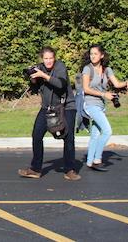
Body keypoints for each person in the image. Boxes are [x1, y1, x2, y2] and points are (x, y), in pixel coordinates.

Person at [18, 47, 80, 181]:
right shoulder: (40, 68)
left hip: (66, 106)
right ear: (42, 58)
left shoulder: (60, 67)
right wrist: (33, 78)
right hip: (47, 107)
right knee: (36, 135)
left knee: (68, 137)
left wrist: (44, 76)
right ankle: (35, 169)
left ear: (54, 58)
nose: (48, 61)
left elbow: (60, 84)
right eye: (45, 58)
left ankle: (70, 170)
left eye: (50, 58)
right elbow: (35, 88)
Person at [81, 44, 128, 170]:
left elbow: (116, 84)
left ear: (102, 55)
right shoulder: (87, 69)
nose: (93, 56)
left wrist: (126, 83)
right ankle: (97, 159)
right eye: (91, 54)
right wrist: (104, 94)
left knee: (95, 134)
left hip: (100, 105)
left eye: (95, 54)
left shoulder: (107, 70)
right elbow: (86, 88)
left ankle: (89, 162)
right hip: (90, 104)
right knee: (107, 131)